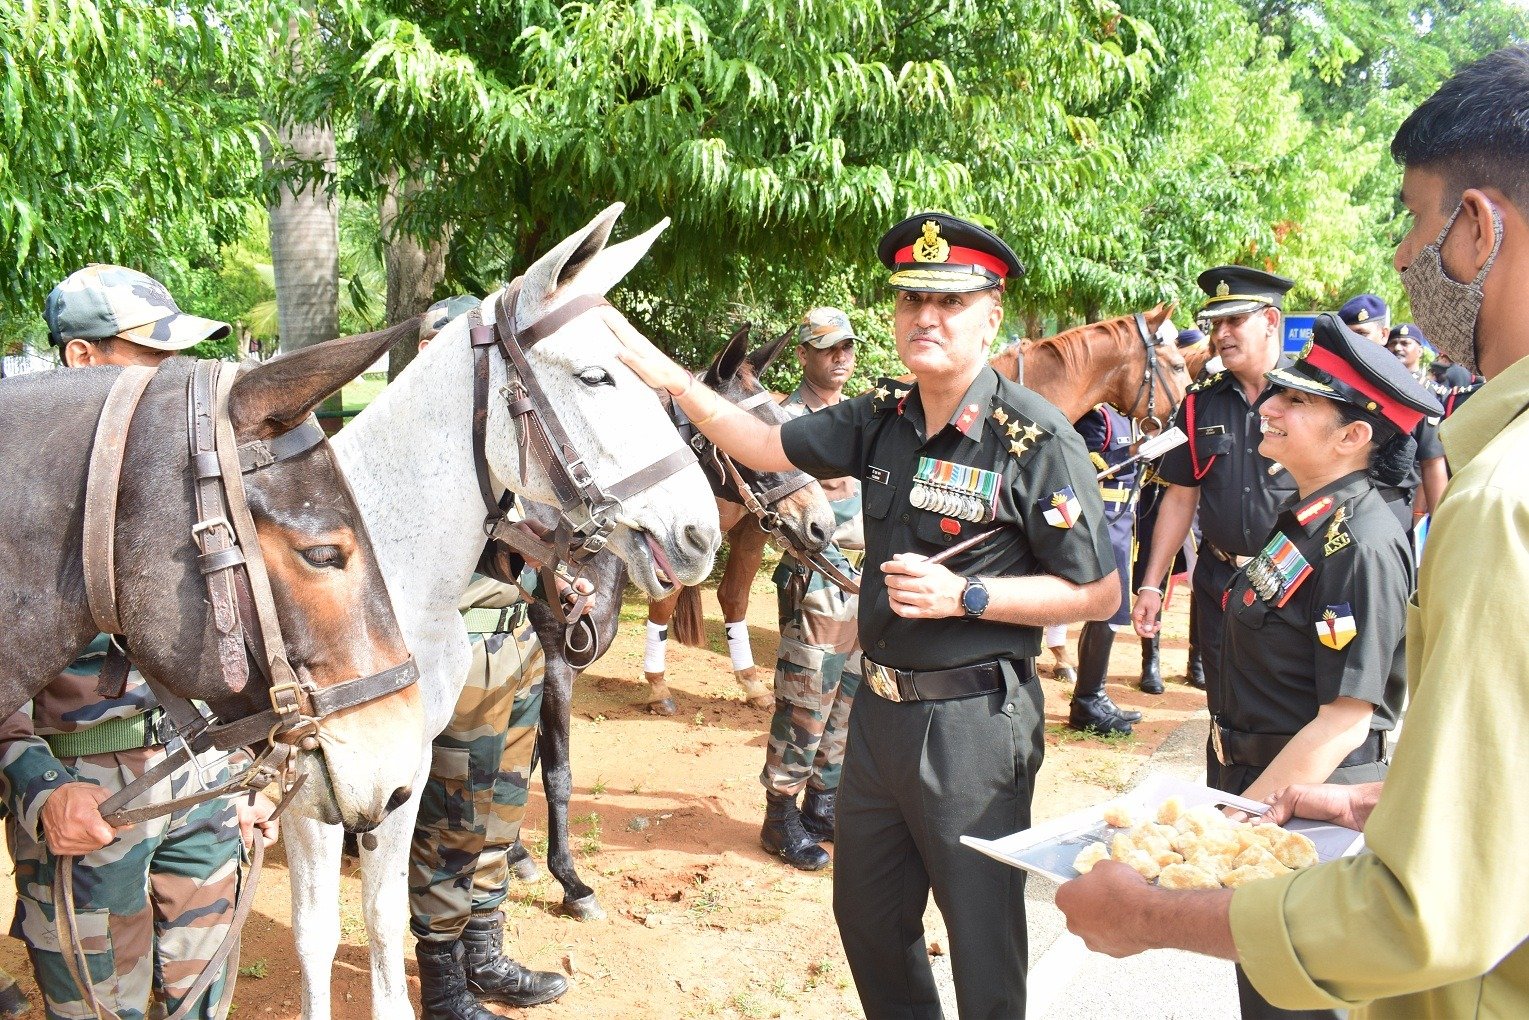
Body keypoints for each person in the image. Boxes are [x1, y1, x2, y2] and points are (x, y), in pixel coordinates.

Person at [1055, 44, 1529, 1017]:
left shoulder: (1494, 505)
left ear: (1476, 229)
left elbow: (1418, 915)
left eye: (1411, 219)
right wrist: (1383, 806)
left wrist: (1151, 912)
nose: (1401, 257)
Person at [614, 211, 1119, 1020]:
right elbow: (758, 444)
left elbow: (1097, 593)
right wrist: (668, 376)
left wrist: (970, 595)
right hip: (875, 720)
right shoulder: (880, 416)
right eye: (912, 299)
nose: (926, 317)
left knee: (981, 937)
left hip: (971, 725)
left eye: (949, 302)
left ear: (991, 317)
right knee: (870, 922)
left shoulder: (1033, 439)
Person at [0, 264, 277, 1020]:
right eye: (147, 356)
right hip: (86, 794)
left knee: (202, 1001)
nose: (171, 376)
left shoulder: (185, 481)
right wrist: (39, 790)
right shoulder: (16, 490)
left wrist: (246, 769)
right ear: (81, 360)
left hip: (199, 780)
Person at [1221, 314, 1439, 1017]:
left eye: (1297, 401)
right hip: (1262, 787)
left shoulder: (1362, 543)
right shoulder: (1312, 515)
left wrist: (1234, 826)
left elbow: (1345, 721)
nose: (1270, 407)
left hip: (1301, 805)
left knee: (1294, 1002)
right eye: (1276, 393)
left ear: (1352, 437)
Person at [407, 297, 568, 1018]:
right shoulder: (404, 442)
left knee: (502, 810)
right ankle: (442, 986)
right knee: (454, 816)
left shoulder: (507, 439)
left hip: (517, 635)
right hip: (456, 646)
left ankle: (483, 955)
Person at [1132, 265, 1297, 721]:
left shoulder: (1313, 397)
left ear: (1270, 320)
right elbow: (1181, 495)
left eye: (1234, 321)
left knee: (1288, 714)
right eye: (1215, 324)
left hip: (1295, 584)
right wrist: (1151, 582)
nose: (1220, 334)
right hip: (1220, 581)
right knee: (1223, 712)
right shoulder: (1201, 401)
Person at [759, 307, 864, 872]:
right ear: (803, 354)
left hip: (865, 581)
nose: (840, 357)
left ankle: (824, 804)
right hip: (817, 579)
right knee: (805, 703)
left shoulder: (857, 417)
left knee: (847, 701)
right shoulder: (789, 422)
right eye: (827, 348)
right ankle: (780, 814)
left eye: (846, 346)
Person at [1067, 404, 1146, 732]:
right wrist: (1131, 451)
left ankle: (1092, 696)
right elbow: (1081, 464)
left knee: (1110, 615)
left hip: (1123, 519)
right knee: (1107, 609)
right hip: (1102, 520)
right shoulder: (1098, 415)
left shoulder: (1134, 415)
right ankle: (1088, 700)